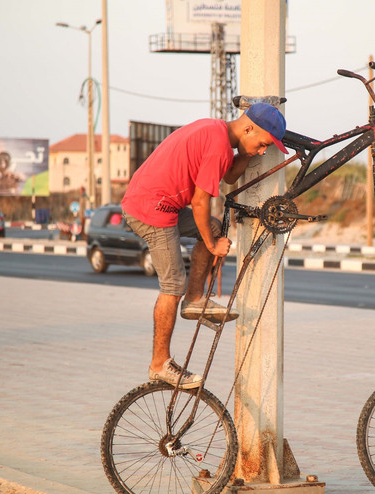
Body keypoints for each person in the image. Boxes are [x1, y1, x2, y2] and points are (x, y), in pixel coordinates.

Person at [121, 103, 288, 390]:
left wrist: (247, 154)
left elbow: (229, 178)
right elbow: (200, 201)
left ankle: (195, 299)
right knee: (172, 285)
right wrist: (212, 246)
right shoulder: (217, 146)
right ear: (248, 128)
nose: (263, 151)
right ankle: (159, 364)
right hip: (151, 208)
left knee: (211, 227)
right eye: (262, 144)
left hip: (161, 205)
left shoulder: (219, 135)